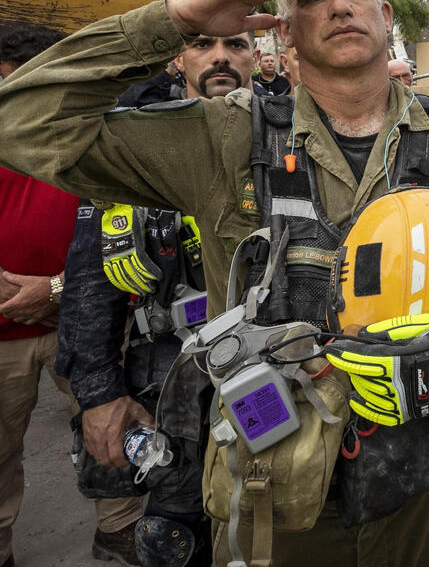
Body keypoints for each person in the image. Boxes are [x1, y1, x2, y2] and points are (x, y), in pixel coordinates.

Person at [0, 0, 429, 567]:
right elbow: (22, 124)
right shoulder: (226, 137)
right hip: (274, 484)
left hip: (424, 480)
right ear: (283, 33)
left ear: (386, 15)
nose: (339, 7)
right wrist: (172, 21)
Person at [56, 29, 258, 566]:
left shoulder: (284, 137)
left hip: (269, 375)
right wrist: (97, 394)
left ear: (257, 56)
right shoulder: (133, 144)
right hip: (170, 391)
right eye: (202, 44)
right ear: (178, 58)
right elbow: (88, 286)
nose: (220, 56)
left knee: (272, 528)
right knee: (179, 534)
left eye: (236, 44)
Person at [0, 24, 144, 567]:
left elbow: (121, 231)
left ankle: (120, 529)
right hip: (4, 333)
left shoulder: (98, 133)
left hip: (86, 325)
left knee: (112, 425)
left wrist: (57, 288)